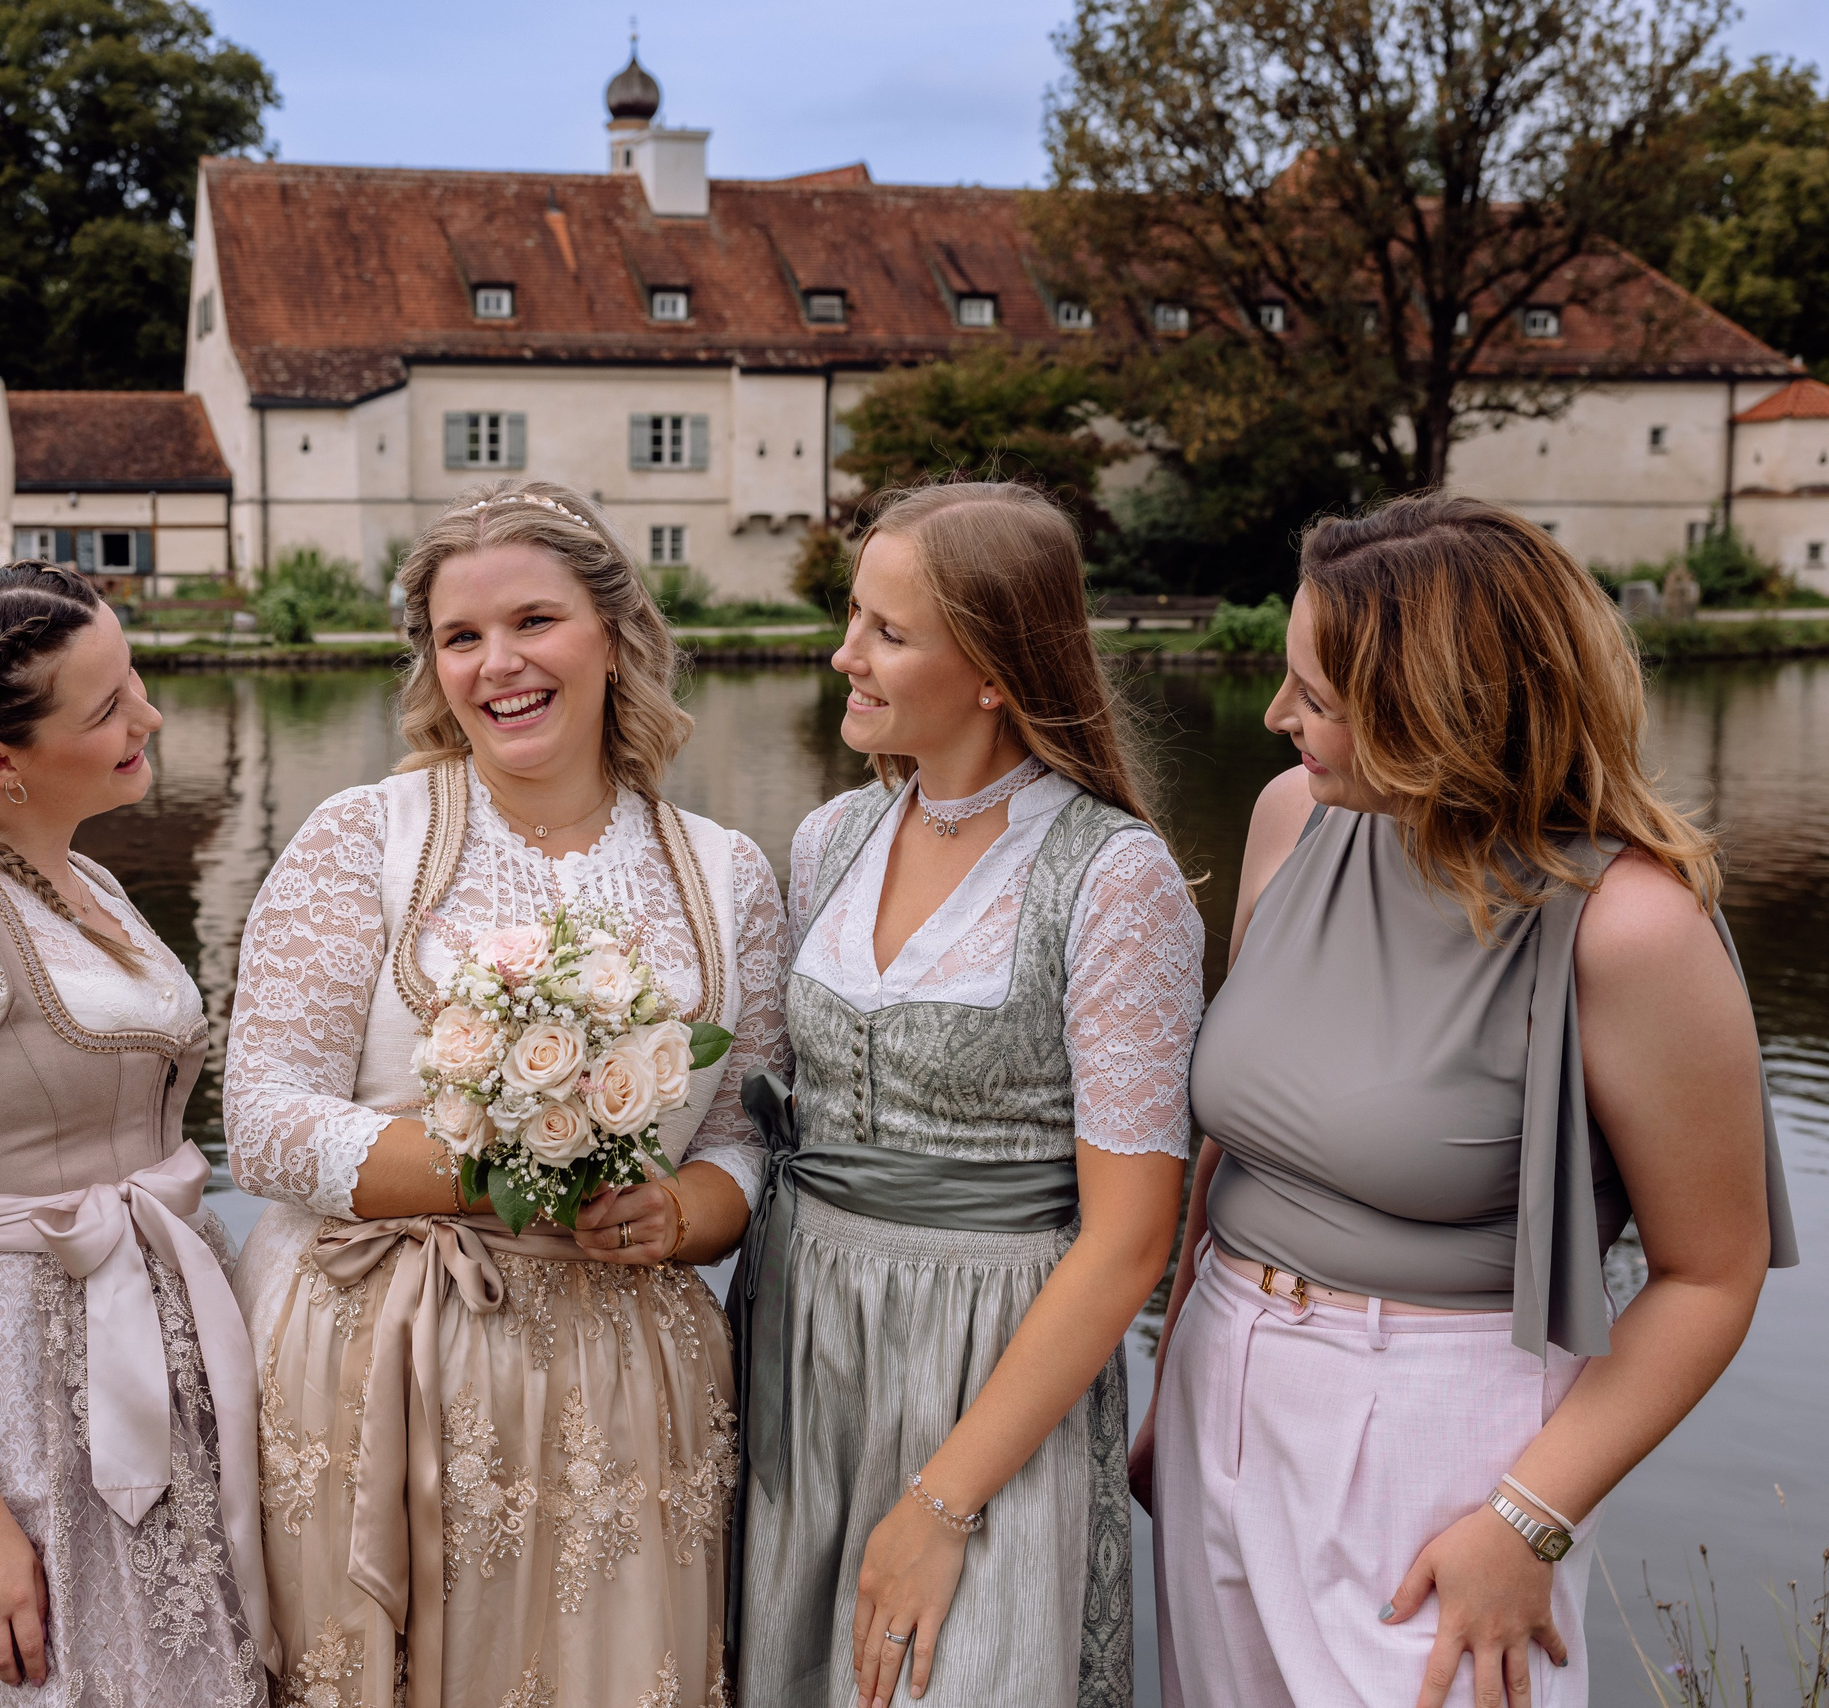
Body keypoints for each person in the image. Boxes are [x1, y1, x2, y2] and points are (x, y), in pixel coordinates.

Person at [1142, 494, 1798, 1708]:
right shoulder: (1294, 817)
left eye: (1317, 698)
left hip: (1446, 1436)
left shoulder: (1630, 926)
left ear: (1434, 711)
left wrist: (1528, 1518)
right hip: (1221, 1383)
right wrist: (1183, 1364)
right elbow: (1234, 1152)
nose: (1279, 716)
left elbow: (1712, 1272)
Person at [222, 481, 793, 1708]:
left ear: (614, 632)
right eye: (460, 637)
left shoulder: (725, 872)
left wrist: (684, 1214)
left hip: (627, 1371)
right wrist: (518, 1165)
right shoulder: (359, 838)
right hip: (382, 1360)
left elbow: (747, 1130)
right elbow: (262, 1117)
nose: (499, 665)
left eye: (534, 621)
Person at [735, 483, 1199, 1708]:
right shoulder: (830, 839)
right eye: (853, 617)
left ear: (995, 670)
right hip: (805, 1348)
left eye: (887, 632)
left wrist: (943, 1500)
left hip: (991, 1363)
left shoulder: (1112, 877)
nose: (846, 653)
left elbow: (1132, 1237)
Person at [0, 562, 272, 1705]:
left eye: (133, 684)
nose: (148, 717)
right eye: (108, 706)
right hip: (27, 1375)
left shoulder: (90, 881)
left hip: (163, 1323)